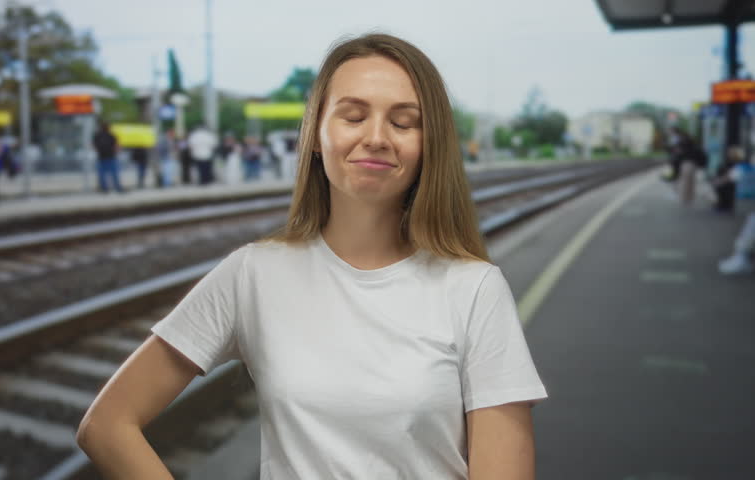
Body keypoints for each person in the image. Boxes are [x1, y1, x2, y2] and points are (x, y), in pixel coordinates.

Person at [77, 33, 547, 479]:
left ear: (429, 148)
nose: (377, 137)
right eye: (353, 115)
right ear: (315, 136)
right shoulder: (254, 274)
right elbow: (108, 424)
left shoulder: (474, 289)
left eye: (404, 122)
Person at [92, 121, 124, 193]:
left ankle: (104, 189)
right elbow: (117, 146)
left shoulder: (97, 135)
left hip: (101, 157)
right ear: (109, 127)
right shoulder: (112, 135)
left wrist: (98, 150)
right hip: (111, 157)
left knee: (102, 175)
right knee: (114, 174)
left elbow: (94, 146)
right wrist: (116, 151)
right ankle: (118, 188)